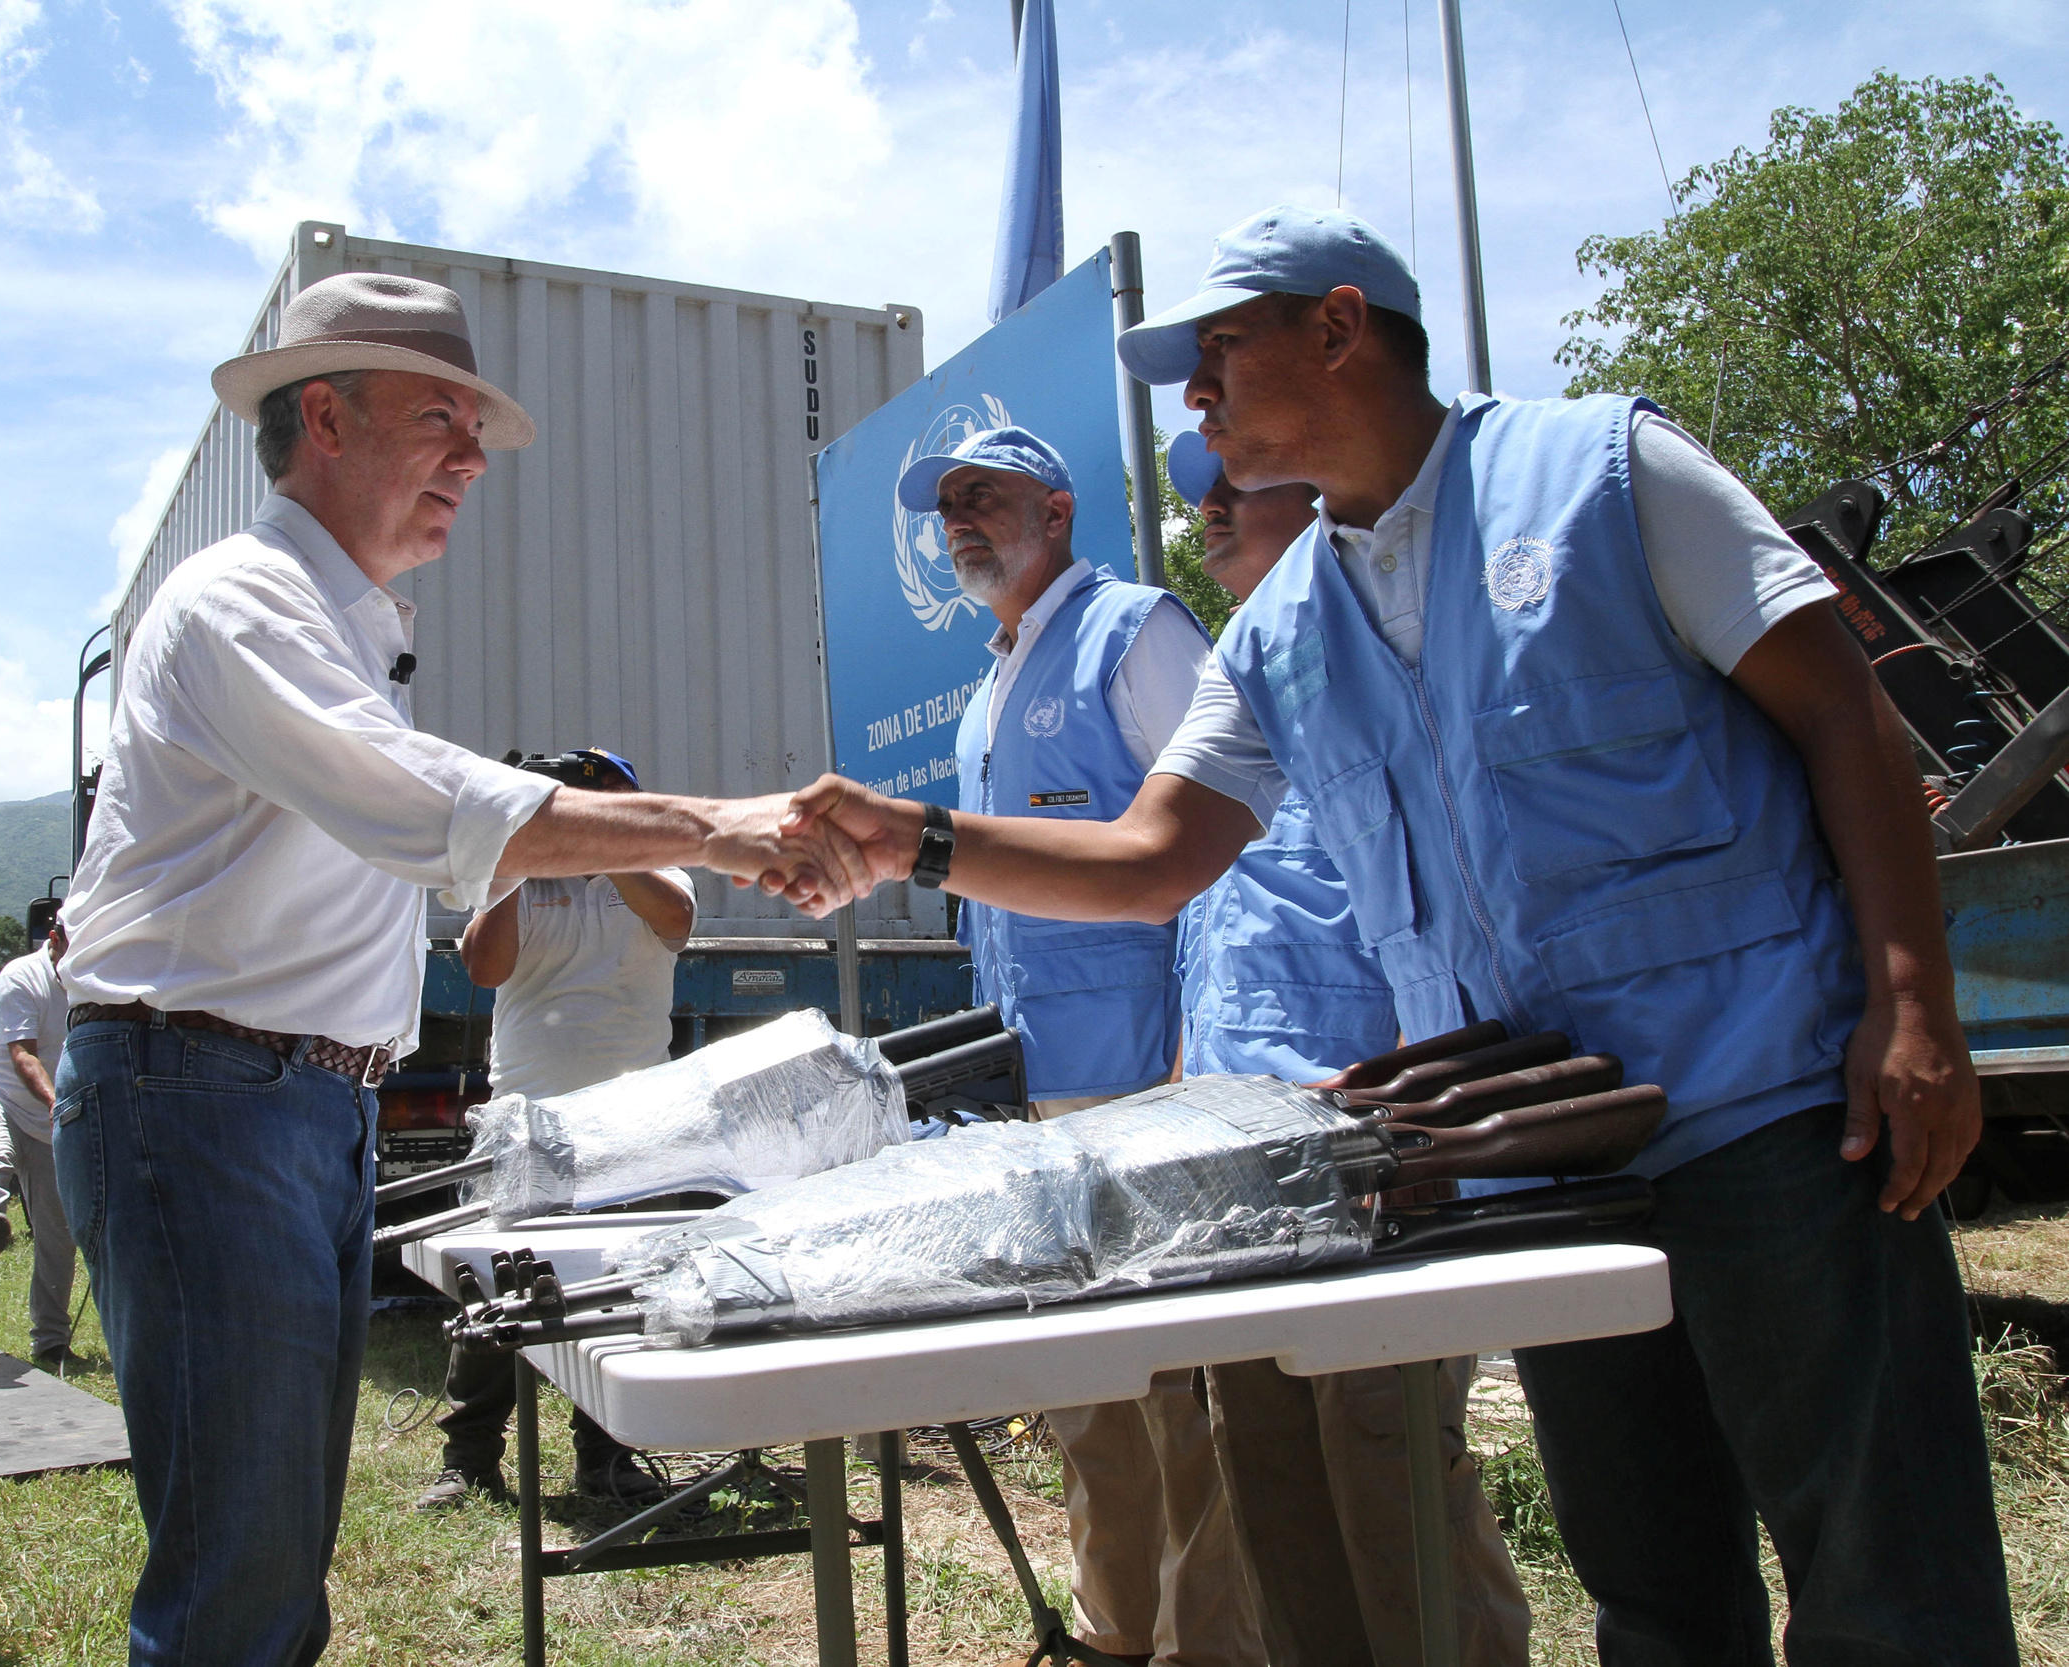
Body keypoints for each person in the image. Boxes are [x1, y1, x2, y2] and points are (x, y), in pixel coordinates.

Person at [785, 205, 2014, 1661]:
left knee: (1889, 1577)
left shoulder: (1607, 474)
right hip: (1555, 1157)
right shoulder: (1283, 622)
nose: (1196, 394)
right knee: (1653, 1587)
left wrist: (1915, 1010)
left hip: (1780, 1117)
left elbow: (1847, 715)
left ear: (1339, 326)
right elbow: (1152, 855)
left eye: (1219, 350)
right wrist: (917, 837)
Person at [53, 270, 860, 1666]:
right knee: (238, 1572)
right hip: (204, 1091)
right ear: (325, 416)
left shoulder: (349, 625)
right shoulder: (240, 601)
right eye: (443, 416)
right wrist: (713, 825)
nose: (475, 458)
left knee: (274, 1552)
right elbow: (419, 800)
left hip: (286, 1100)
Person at [1167, 429, 1529, 1663]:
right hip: (1232, 1162)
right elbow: (1217, 935)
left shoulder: (1386, 662)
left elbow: (1445, 910)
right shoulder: (1243, 678)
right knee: (1265, 1458)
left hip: (1371, 1151)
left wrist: (1427, 1117)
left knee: (1387, 1456)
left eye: (1234, 486)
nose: (1208, 509)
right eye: (1200, 495)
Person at [899, 424, 1251, 1667]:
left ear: (1056, 509)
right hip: (1036, 1090)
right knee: (1086, 1388)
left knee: (1182, 1391)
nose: (960, 524)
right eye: (947, 509)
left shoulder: (1137, 629)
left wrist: (1195, 1064)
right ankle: (1116, 1627)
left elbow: (1229, 844)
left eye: (984, 499)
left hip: (1151, 1080)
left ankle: (1207, 1644)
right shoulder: (991, 685)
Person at [419, 746, 693, 1513]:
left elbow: (677, 920)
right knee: (491, 1291)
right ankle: (468, 1456)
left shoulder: (659, 868)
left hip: (633, 1121)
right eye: (574, 802)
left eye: (600, 800)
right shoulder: (518, 881)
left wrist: (602, 844)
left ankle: (608, 1458)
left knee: (620, 1291)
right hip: (527, 1122)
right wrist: (516, 853)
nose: (584, 811)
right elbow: (484, 966)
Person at [0, 925, 78, 1371]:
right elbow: (23, 1055)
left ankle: (51, 1343)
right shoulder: (20, 976)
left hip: (48, 1121)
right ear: (55, 937)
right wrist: (56, 1103)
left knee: (58, 1234)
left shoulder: (93, 981)